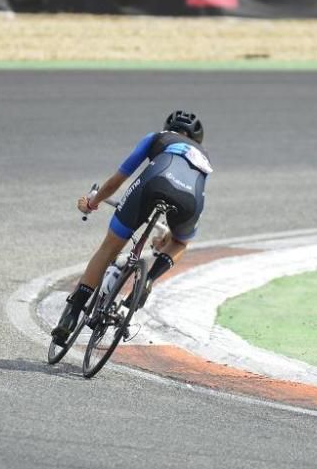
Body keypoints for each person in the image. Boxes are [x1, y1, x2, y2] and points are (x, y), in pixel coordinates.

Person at [51, 110, 211, 346]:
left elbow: (119, 178)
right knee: (180, 242)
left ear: (168, 127)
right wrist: (170, 235)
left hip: (154, 183)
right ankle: (149, 280)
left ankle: (73, 313)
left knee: (110, 248)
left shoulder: (158, 137)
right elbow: (182, 191)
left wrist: (92, 203)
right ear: (197, 139)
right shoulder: (204, 157)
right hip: (190, 201)